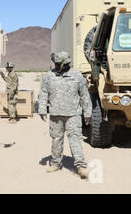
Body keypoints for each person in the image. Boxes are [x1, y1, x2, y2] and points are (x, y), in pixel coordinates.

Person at [38, 51, 92, 179]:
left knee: (75, 140)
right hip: (56, 114)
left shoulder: (77, 76)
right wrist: (42, 109)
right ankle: (56, 163)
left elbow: (85, 95)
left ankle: (81, 167)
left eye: (58, 64)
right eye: (55, 64)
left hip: (73, 114)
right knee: (56, 140)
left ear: (65, 64)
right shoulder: (49, 76)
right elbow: (44, 92)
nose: (56, 66)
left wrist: (88, 112)